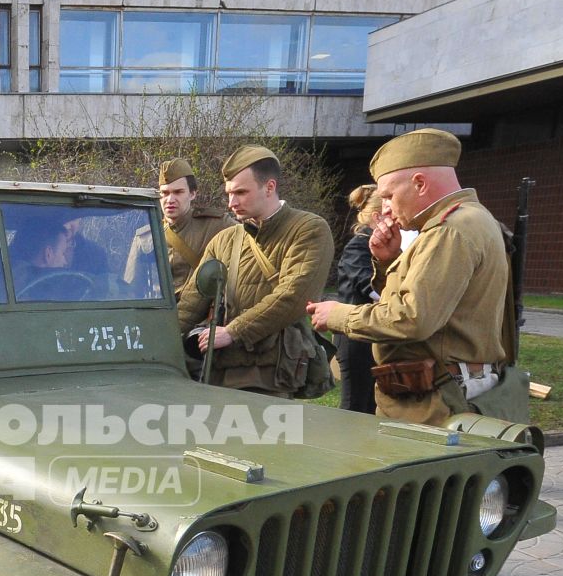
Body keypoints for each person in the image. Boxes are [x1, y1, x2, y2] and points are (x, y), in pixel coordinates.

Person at [307, 129, 515, 428]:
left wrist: (340, 315)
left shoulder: (449, 231)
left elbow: (411, 319)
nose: (386, 207)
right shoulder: (468, 220)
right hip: (437, 391)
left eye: (389, 195)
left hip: (436, 399)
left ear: (419, 183)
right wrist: (388, 261)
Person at [175, 146, 335, 396]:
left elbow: (292, 297)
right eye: (229, 193)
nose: (231, 203)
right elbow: (189, 304)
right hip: (220, 369)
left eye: (241, 192)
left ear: (269, 187)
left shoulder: (308, 229)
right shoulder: (224, 239)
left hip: (272, 371)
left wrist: (234, 332)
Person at [150, 158, 236, 298]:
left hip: (200, 316)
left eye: (178, 192)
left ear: (192, 194)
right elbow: (132, 288)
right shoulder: (146, 236)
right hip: (159, 316)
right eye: (164, 193)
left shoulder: (216, 224)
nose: (170, 200)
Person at [333, 185, 381, 414]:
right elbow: (368, 284)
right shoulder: (359, 244)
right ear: (376, 216)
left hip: (369, 331)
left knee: (371, 404)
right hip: (353, 336)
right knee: (355, 404)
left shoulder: (378, 245)